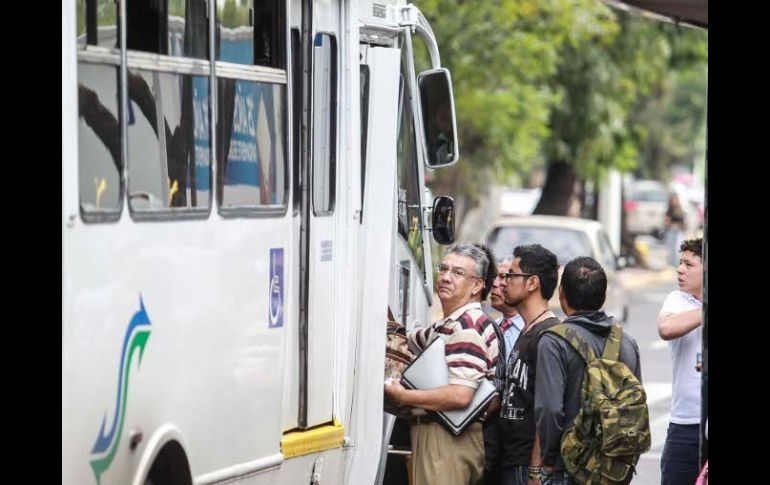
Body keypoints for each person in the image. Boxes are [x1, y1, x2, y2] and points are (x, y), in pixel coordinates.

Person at [384, 243, 499, 485]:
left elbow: (460, 395)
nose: (446, 277)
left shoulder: (467, 328)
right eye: (444, 269)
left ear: (477, 285)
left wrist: (403, 396)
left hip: (446, 440)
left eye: (458, 273)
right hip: (440, 437)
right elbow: (412, 338)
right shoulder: (450, 323)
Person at [535, 256, 642, 485]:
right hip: (614, 469)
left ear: (561, 294)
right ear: (603, 296)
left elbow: (550, 409)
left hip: (568, 468)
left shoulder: (554, 341)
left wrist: (547, 459)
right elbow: (635, 408)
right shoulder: (627, 341)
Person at [496, 244, 560, 485]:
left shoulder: (548, 334)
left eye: (511, 275)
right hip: (511, 461)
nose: (503, 282)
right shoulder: (527, 329)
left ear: (532, 283)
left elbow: (548, 409)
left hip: (526, 468)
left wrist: (536, 470)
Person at [657, 238, 703, 485]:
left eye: (689, 264)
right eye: (680, 263)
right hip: (684, 424)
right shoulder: (678, 299)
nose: (680, 269)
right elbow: (666, 328)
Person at [483, 256, 525, 485]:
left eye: (505, 277)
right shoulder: (491, 328)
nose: (497, 285)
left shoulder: (533, 333)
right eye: (496, 277)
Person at [664, 193, 686, 266]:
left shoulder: (679, 209)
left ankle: (677, 263)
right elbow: (666, 221)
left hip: (678, 231)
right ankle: (671, 263)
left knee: (677, 247)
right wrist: (670, 224)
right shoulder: (669, 210)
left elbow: (682, 220)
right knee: (670, 247)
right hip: (671, 230)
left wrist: (679, 225)